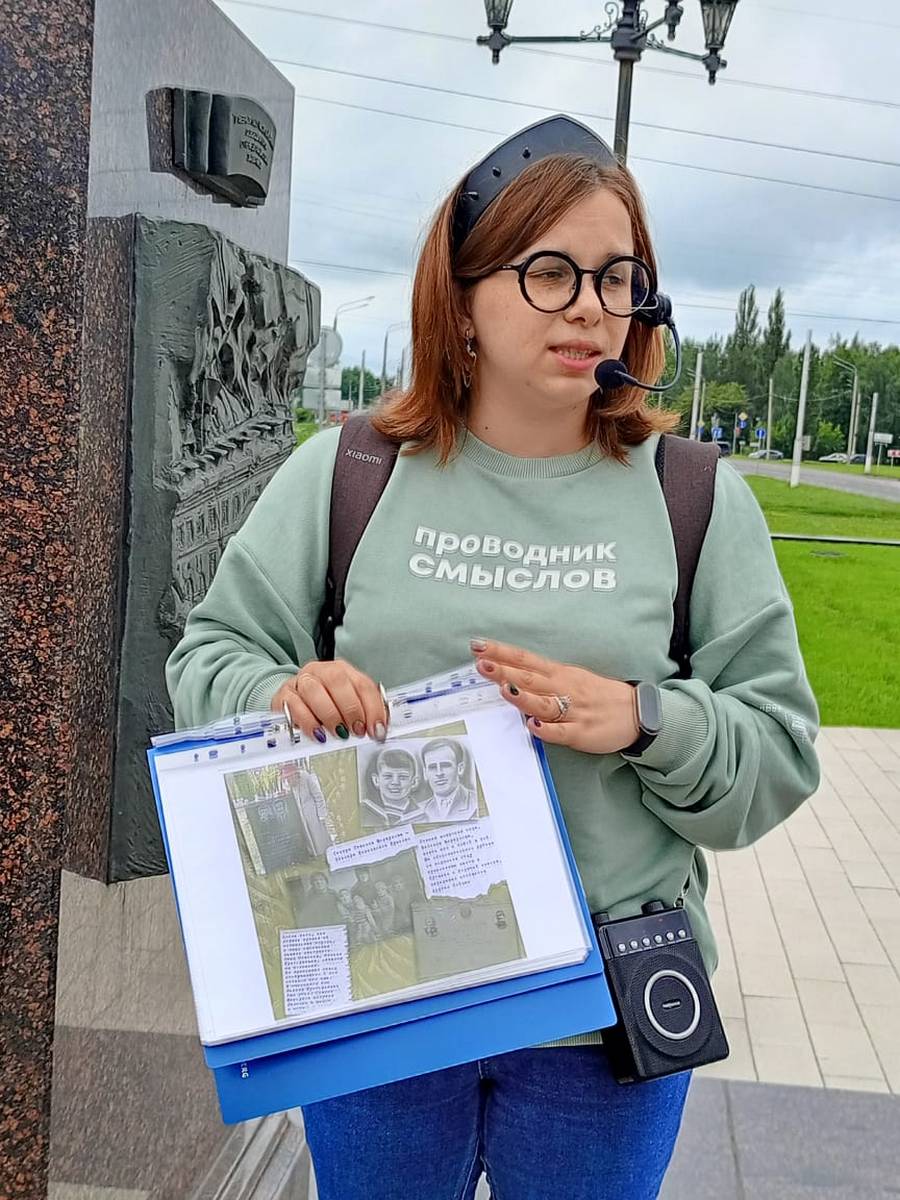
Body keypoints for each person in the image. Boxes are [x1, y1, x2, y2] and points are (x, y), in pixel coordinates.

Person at [167, 114, 820, 1199]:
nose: (590, 305)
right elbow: (210, 658)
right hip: (380, 1000)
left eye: (618, 278)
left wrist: (645, 719)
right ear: (461, 295)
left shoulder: (695, 497)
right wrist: (287, 694)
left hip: (600, 1023)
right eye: (550, 272)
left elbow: (780, 751)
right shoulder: (348, 472)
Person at [363, 746, 429, 827]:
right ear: (376, 780)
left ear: (414, 782)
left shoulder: (422, 817)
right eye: (388, 776)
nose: (395, 782)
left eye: (402, 777)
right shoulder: (364, 811)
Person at [419, 737, 478, 822]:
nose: (439, 773)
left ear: (460, 768)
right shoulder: (419, 810)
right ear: (425, 773)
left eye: (445, 765)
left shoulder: (475, 802)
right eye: (432, 767)